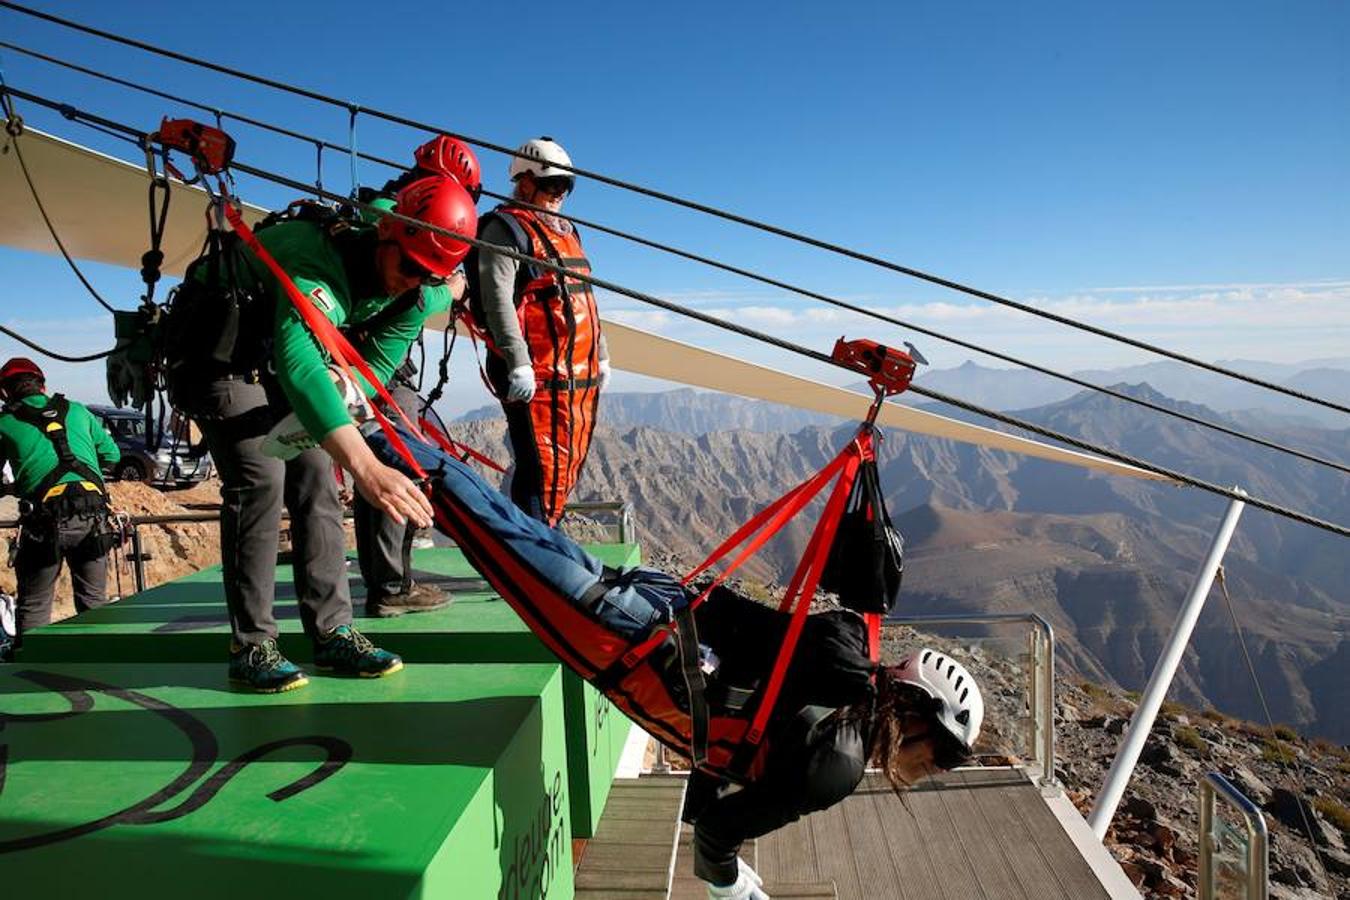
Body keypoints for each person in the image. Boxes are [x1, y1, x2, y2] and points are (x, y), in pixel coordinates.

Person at [361, 423, 985, 900]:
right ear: (915, 712)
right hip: (629, 638)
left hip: (657, 601)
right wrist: (730, 885)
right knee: (486, 529)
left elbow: (750, 737)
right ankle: (372, 438)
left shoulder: (849, 657)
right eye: (940, 755)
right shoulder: (837, 764)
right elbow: (718, 832)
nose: (931, 770)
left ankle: (383, 431)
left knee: (509, 526)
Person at [166, 173, 474, 692]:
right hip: (220, 353)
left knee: (315, 482)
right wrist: (367, 465)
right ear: (387, 236)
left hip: (278, 353)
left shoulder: (415, 296)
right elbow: (300, 364)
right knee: (259, 478)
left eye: (428, 276)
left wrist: (344, 390)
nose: (411, 280)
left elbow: (372, 366)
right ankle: (252, 645)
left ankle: (333, 633)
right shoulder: (318, 263)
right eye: (409, 266)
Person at [345, 135, 482, 618]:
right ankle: (390, 586)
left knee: (395, 460)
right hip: (373, 368)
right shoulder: (392, 214)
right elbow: (421, 296)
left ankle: (390, 580)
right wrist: (451, 289)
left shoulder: (380, 208)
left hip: (368, 362)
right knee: (394, 461)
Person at [466, 136, 610, 526]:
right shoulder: (504, 229)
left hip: (576, 375)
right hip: (534, 373)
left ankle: (545, 542)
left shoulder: (566, 232)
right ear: (524, 181)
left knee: (563, 464)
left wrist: (602, 352)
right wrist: (518, 363)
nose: (558, 194)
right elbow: (497, 300)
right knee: (537, 467)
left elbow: (583, 298)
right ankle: (533, 552)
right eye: (551, 185)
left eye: (565, 186)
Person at [0, 357, 121, 643]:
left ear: (5, 393)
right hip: (93, 518)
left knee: (35, 606)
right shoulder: (78, 411)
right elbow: (113, 457)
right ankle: (97, 672)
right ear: (43, 386)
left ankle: (32, 677)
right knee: (93, 604)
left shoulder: (5, 423)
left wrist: (18, 484)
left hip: (43, 523)